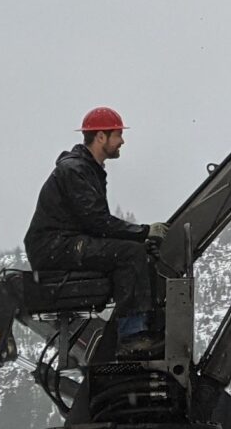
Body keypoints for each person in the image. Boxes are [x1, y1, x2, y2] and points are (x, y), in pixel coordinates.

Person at [25, 106, 157, 344]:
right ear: (100, 136)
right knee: (130, 253)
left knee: (132, 251)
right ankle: (132, 335)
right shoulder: (76, 170)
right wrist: (144, 232)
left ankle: (132, 327)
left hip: (64, 243)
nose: (122, 141)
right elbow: (96, 221)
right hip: (55, 246)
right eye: (118, 134)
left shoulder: (88, 169)